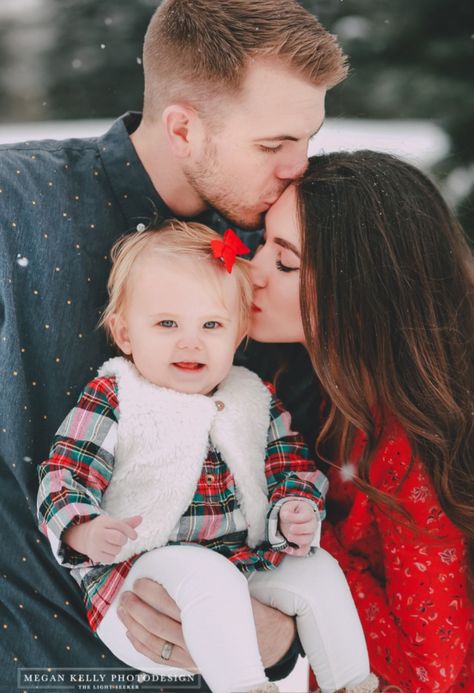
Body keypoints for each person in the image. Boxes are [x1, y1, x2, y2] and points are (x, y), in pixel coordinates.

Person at [0, 0, 347, 688]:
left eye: (308, 137)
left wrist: (280, 639)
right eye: (273, 144)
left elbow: (318, 461)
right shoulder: (16, 209)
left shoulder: (281, 251)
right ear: (184, 127)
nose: (298, 166)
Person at [36, 221, 378, 693]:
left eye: (211, 325)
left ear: (238, 335)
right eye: (167, 324)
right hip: (139, 582)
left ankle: (354, 685)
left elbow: (291, 467)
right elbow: (65, 475)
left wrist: (293, 510)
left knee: (318, 569)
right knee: (206, 574)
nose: (190, 341)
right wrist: (83, 528)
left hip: (242, 565)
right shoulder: (115, 395)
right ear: (125, 333)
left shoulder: (253, 396)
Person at [247, 150, 473, 692]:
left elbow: (428, 670)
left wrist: (303, 546)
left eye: (285, 262)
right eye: (262, 242)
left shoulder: (409, 443)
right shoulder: (330, 394)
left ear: (364, 295)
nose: (251, 271)